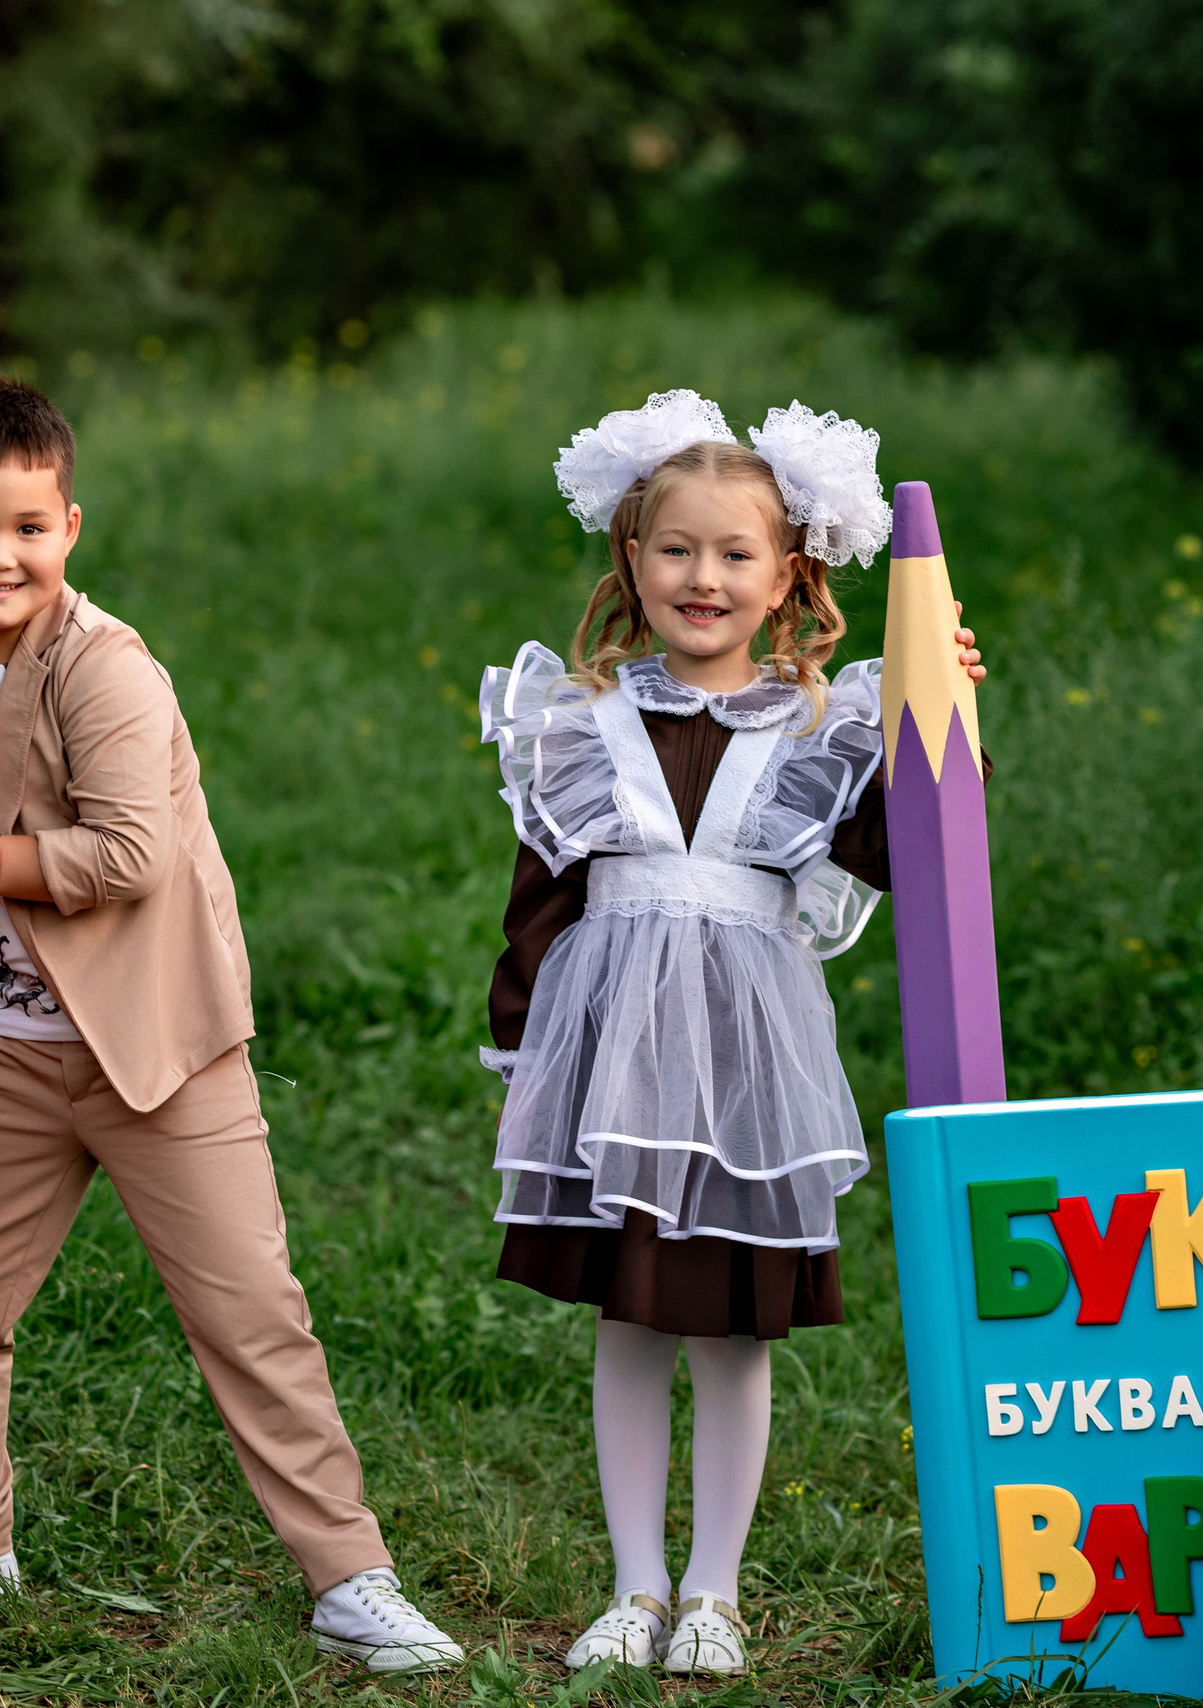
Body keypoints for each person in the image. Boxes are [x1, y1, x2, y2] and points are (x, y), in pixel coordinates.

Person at [0, 375, 462, 1673]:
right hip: (6, 1054)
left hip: (157, 1048)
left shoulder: (105, 665)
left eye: (27, 528)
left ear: (69, 528)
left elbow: (126, 856)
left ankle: (352, 1577)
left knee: (250, 1311)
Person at [477, 390, 987, 1678]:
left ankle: (715, 1591)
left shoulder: (826, 730)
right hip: (611, 1067)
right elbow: (540, 901)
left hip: (748, 1072)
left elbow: (909, 848)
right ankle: (635, 1586)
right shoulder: (580, 723)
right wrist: (526, 1052)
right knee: (630, 1320)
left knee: (730, 1325)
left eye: (735, 553)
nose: (702, 576)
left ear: (787, 577)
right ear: (632, 562)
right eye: (676, 549)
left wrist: (943, 711)